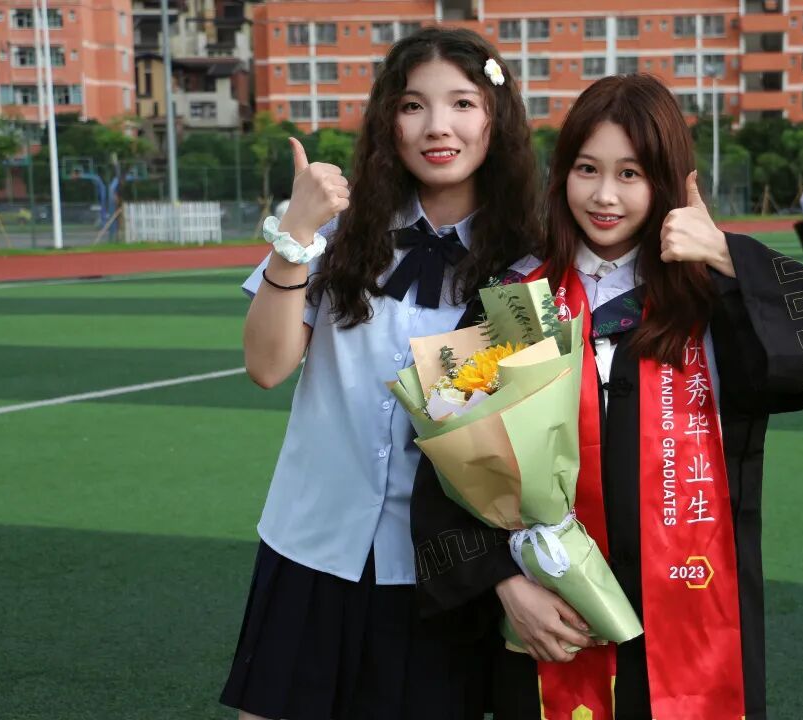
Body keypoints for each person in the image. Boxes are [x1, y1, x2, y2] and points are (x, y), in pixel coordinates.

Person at [412, 74, 803, 720]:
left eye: (630, 174)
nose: (604, 196)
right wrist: (503, 583)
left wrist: (726, 255)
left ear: (665, 183)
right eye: (587, 169)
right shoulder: (516, 299)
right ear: (562, 175)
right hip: (550, 624)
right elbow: (447, 470)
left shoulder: (712, 301)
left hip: (691, 619)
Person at [219, 28, 541, 720]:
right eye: (413, 105)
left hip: (440, 566)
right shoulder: (338, 233)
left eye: (463, 103)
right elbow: (266, 366)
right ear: (388, 120)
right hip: (313, 542)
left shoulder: (527, 264)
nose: (438, 126)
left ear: (497, 119)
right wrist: (294, 235)